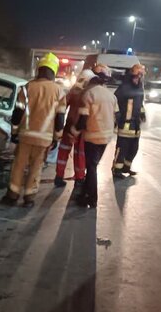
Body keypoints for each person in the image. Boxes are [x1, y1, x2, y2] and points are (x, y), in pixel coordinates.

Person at [4, 52, 67, 208]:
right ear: (54, 71)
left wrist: (14, 132)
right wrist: (56, 138)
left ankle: (12, 195)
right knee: (36, 168)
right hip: (44, 139)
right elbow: (60, 119)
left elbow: (17, 112)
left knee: (18, 165)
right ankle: (29, 198)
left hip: (25, 136)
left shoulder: (28, 87)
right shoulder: (59, 92)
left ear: (39, 69)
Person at [73, 64, 119, 208]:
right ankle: (84, 194)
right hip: (106, 137)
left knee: (91, 167)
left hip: (92, 136)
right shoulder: (111, 95)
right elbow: (117, 116)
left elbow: (83, 119)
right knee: (92, 165)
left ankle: (92, 198)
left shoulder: (88, 94)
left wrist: (74, 131)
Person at [54, 69, 96, 187]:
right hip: (82, 128)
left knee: (63, 152)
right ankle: (79, 178)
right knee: (79, 154)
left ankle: (59, 176)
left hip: (69, 125)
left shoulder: (73, 91)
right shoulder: (89, 93)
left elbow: (63, 105)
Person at [113, 64, 146, 178]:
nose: (139, 78)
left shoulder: (139, 87)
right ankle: (117, 170)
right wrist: (118, 117)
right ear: (133, 75)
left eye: (141, 76)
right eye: (138, 75)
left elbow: (139, 103)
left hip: (136, 124)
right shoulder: (124, 87)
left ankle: (126, 167)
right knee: (122, 148)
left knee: (133, 148)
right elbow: (114, 101)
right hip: (125, 124)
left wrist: (142, 112)